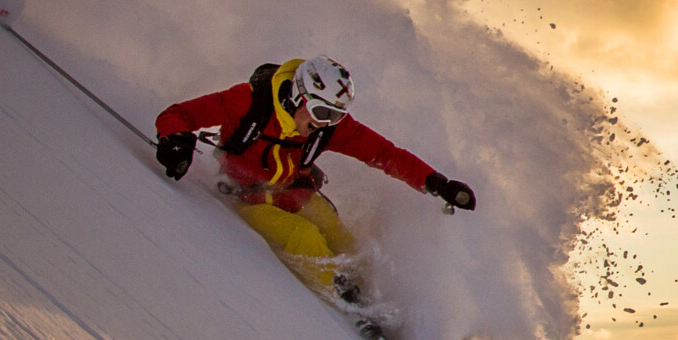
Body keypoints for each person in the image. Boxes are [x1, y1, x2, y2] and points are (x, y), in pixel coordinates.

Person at [152, 55, 475, 300]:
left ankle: (377, 299)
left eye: (335, 116)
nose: (325, 124)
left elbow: (385, 154)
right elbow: (177, 115)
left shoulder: (331, 128)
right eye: (322, 114)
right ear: (298, 97)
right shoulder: (248, 102)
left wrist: (436, 182)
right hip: (249, 198)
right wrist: (175, 141)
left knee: (338, 235)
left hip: (295, 192)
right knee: (305, 236)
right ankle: (350, 304)